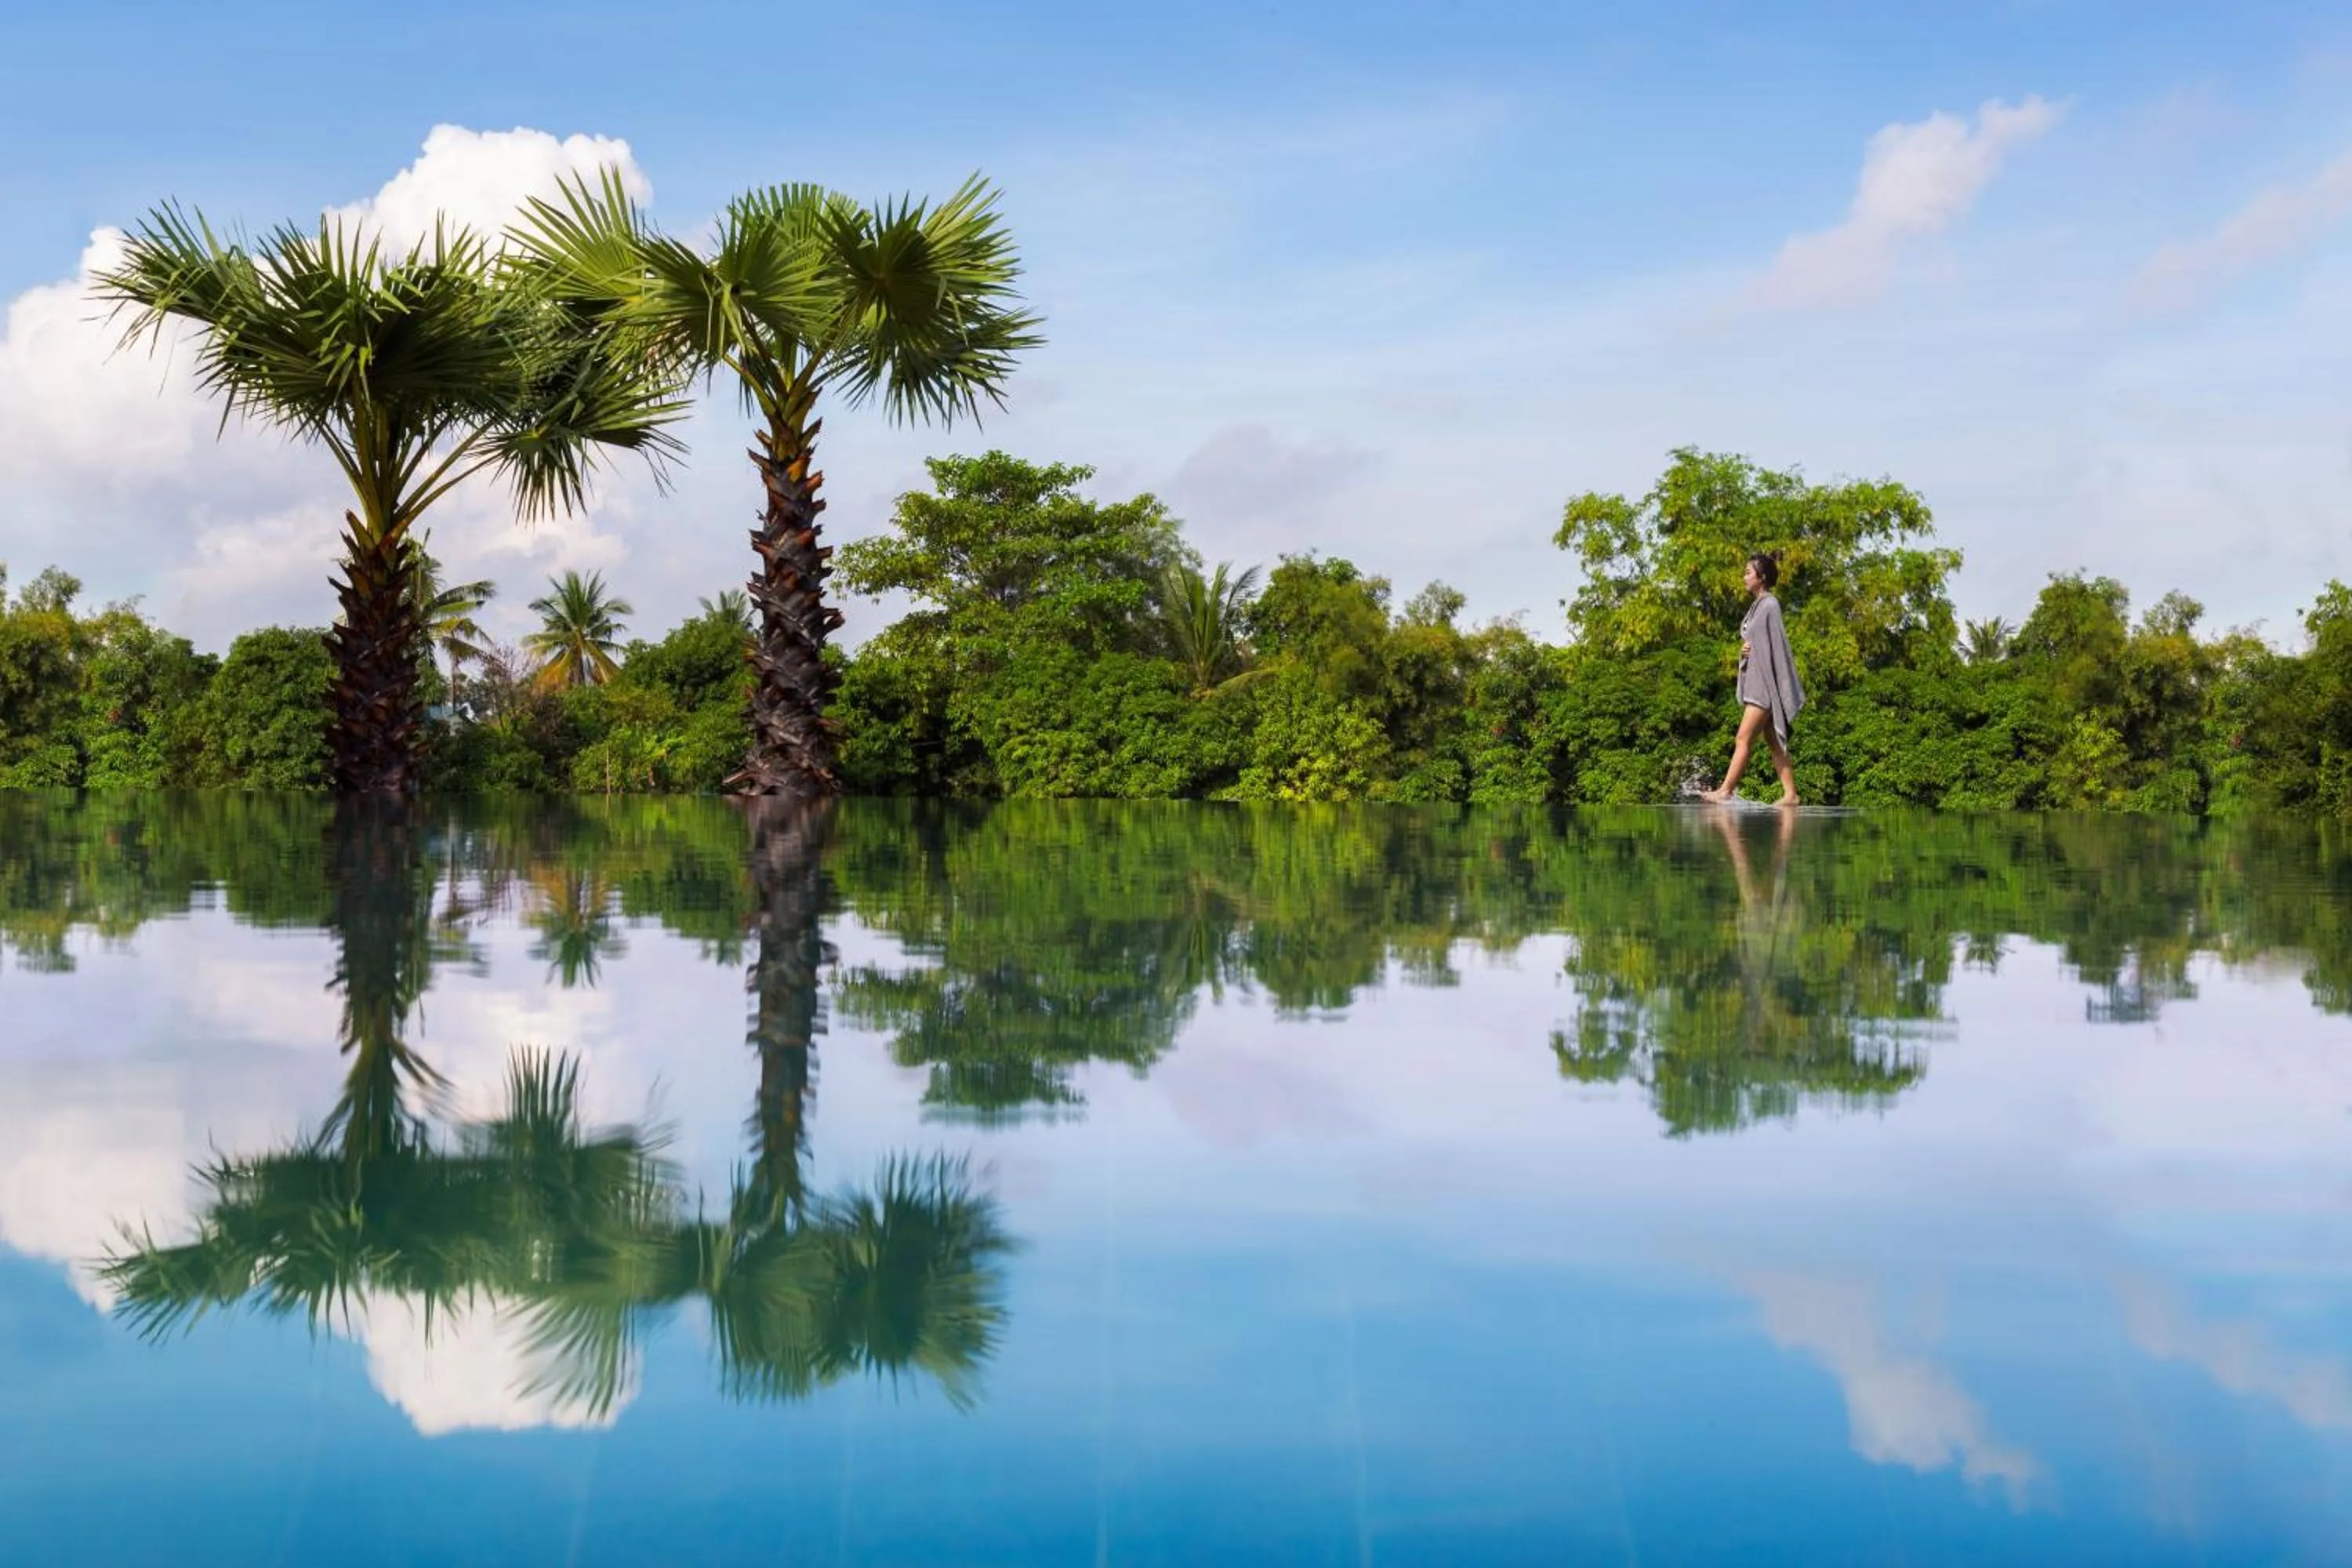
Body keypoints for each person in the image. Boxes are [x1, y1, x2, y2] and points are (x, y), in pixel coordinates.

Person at [1700, 551, 1805, 807]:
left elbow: (1778, 647)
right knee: (1774, 743)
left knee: (1742, 739)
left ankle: (1726, 790)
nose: (1744, 577)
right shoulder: (1758, 605)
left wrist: (1778, 688)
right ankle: (1791, 794)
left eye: (1748, 573)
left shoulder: (1770, 605)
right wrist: (1744, 651)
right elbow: (1758, 641)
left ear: (1762, 577)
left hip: (1765, 688)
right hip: (1758, 682)